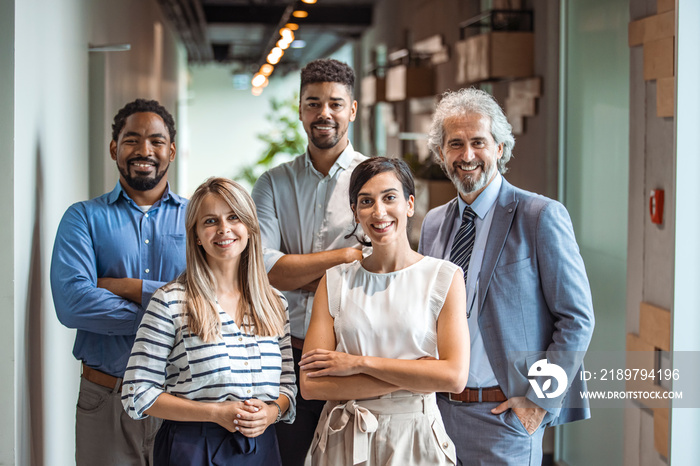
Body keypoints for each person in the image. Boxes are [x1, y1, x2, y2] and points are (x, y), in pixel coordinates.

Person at [419, 87, 595, 465]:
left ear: (500, 148)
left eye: (478, 142)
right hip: (435, 415)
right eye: (455, 144)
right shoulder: (433, 224)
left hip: (504, 418)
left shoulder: (539, 216)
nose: (467, 156)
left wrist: (538, 402)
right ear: (440, 155)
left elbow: (577, 318)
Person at [299, 157, 469, 466]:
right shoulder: (335, 280)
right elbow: (312, 385)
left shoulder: (444, 278)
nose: (379, 212)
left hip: (415, 438)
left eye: (389, 197)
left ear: (409, 204)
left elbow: (454, 377)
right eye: (366, 201)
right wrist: (419, 375)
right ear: (355, 212)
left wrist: (357, 363)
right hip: (344, 437)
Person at [121, 177, 296, 466]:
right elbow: (137, 393)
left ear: (250, 228)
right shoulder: (171, 301)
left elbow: (287, 386)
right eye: (211, 221)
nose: (224, 229)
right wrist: (214, 413)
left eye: (234, 217)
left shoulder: (274, 302)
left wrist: (271, 412)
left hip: (262, 448)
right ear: (197, 236)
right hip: (192, 448)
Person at [51, 98, 187, 465]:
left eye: (157, 141)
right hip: (106, 397)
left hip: (184, 399)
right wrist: (175, 315)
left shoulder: (199, 220)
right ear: (115, 148)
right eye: (132, 140)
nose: (144, 150)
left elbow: (218, 300)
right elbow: (73, 303)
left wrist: (127, 288)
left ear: (170, 150)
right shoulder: (82, 218)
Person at [251, 58, 368, 466]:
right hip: (286, 356)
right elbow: (264, 269)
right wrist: (345, 258)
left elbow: (376, 271)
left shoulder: (373, 181)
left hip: (352, 356)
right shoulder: (272, 183)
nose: (325, 113)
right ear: (301, 109)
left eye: (336, 103)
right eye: (313, 103)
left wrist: (296, 271)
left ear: (352, 110)